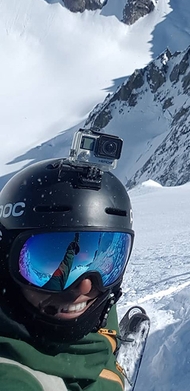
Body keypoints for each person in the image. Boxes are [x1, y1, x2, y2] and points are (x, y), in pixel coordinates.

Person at [0, 156, 134, 390]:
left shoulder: (86, 306)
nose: (85, 287)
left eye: (104, 266)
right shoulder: (13, 376)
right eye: (47, 256)